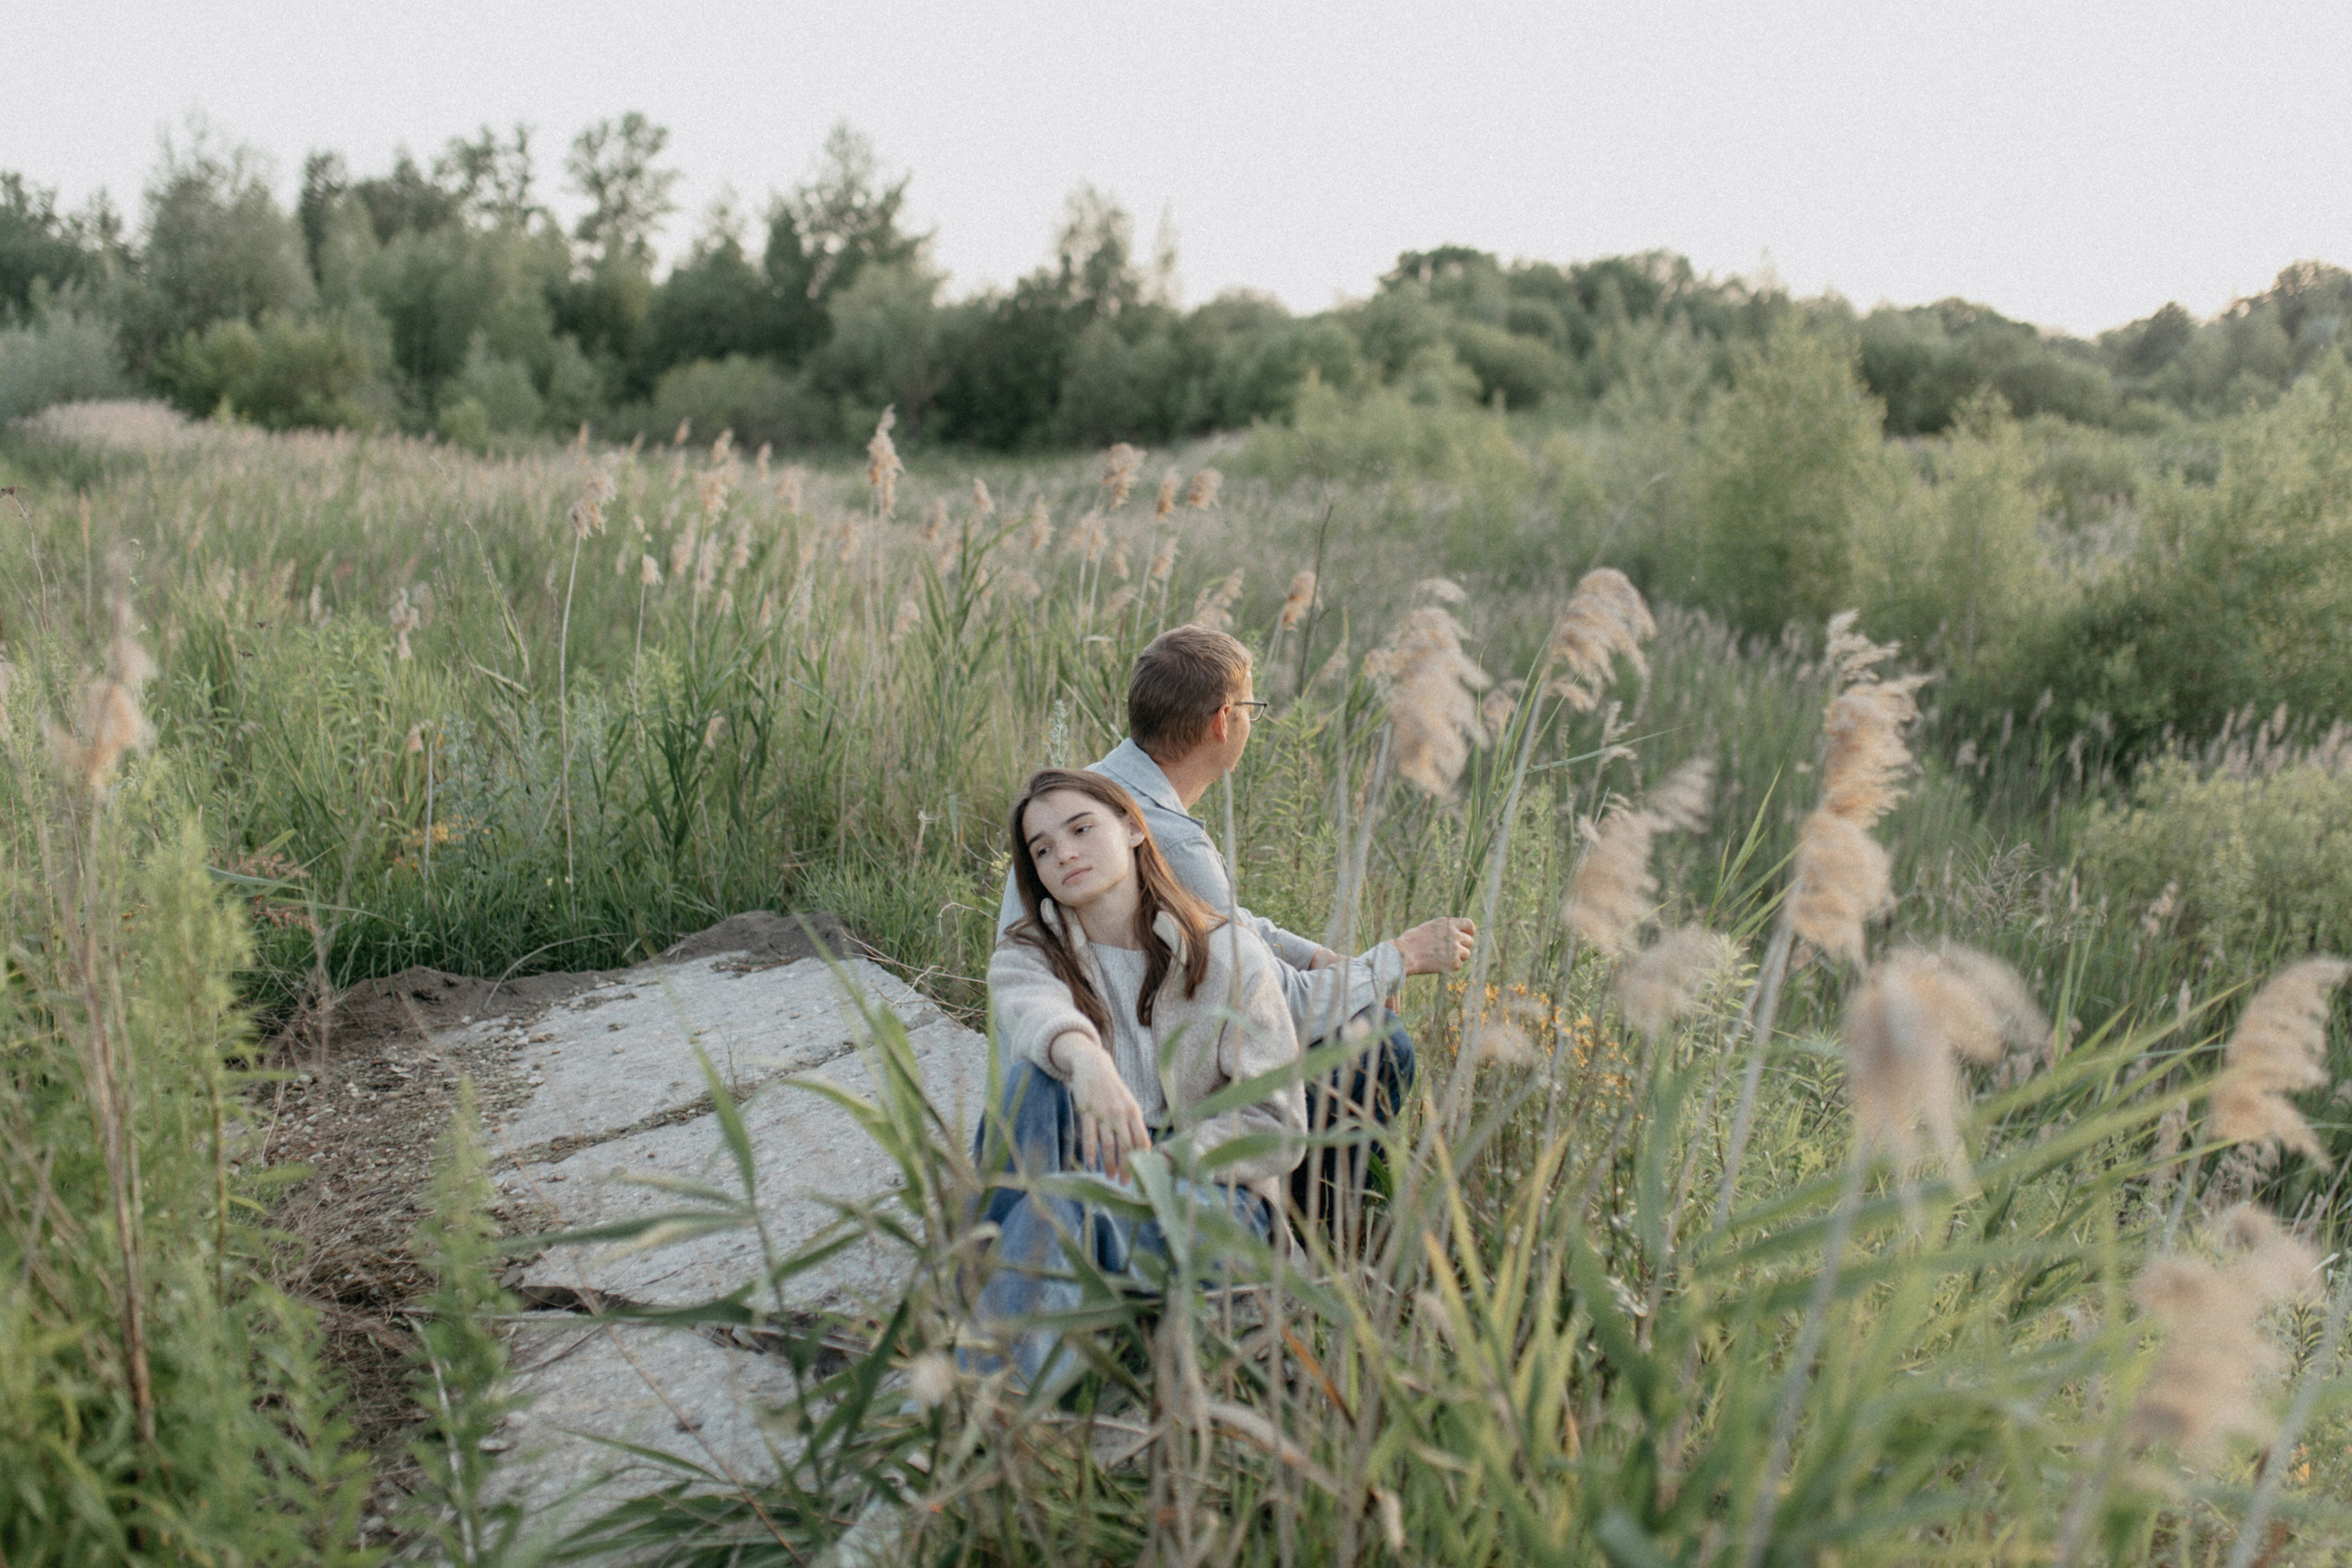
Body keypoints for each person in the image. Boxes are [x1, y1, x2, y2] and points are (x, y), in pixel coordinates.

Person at [996, 625, 1476, 1221]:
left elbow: (1229, 923)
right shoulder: (1153, 834)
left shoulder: (1088, 800)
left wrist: (1315, 954)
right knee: (1377, 1040)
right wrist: (1397, 957)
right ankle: (1311, 1226)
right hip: (1124, 1107)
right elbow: (1280, 1008)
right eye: (1251, 707)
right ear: (1225, 721)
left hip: (1096, 1071)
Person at [974, 768, 1301, 1389]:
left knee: (1072, 1200)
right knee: (1032, 1086)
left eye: (1080, 828)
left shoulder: (1229, 953)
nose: (1063, 852)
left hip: (1216, 1200)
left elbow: (1275, 1125)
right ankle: (997, 1300)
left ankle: (981, 1400)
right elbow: (1034, 1011)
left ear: (1131, 827)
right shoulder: (1029, 952)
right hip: (1090, 1165)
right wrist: (1088, 1059)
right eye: (1042, 848)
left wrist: (1164, 1164)